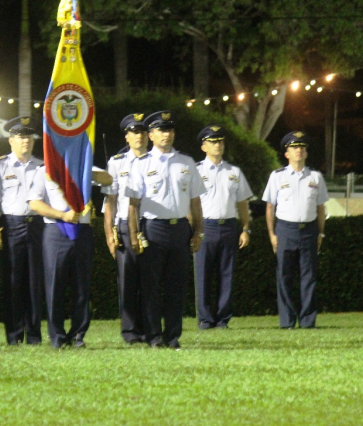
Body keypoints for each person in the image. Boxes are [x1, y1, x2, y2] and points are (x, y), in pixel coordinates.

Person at [126, 110, 206, 350]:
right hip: (153, 229)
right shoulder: (141, 164)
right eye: (161, 130)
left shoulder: (187, 162)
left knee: (176, 287)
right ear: (150, 135)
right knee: (150, 287)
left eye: (170, 129)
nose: (166, 134)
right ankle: (153, 336)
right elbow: (133, 205)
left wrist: (198, 231)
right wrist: (133, 235)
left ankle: (173, 337)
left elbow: (195, 202)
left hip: (180, 228)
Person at [27, 166, 112, 349]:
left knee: (82, 287)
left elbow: (108, 179)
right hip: (56, 230)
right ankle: (57, 337)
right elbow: (34, 203)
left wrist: (87, 173)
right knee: (54, 287)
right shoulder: (46, 169)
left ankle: (78, 336)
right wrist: (62, 215)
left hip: (82, 230)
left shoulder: (83, 163)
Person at [262, 131, 328, 329]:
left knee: (309, 277)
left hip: (308, 230)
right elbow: (270, 208)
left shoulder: (316, 177)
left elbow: (321, 209)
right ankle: (287, 321)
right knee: (284, 276)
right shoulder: (277, 176)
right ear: (286, 153)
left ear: (306, 153)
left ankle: (308, 321)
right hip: (285, 229)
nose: (298, 150)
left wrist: (321, 233)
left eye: (302, 147)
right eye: (294, 147)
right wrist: (272, 235)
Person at [0, 116, 45, 346]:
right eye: (21, 137)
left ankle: (33, 336)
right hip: (11, 226)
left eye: (29, 137)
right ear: (11, 140)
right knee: (12, 283)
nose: (26, 141)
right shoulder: (0, 165)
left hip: (37, 226)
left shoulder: (42, 165)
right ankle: (14, 336)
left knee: (35, 283)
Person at [194, 125, 253, 330]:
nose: (217, 145)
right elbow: (189, 202)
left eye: (220, 141)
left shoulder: (234, 172)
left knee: (226, 274)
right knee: (203, 275)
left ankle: (222, 319)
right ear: (204, 146)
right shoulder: (195, 170)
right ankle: (205, 318)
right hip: (205, 226)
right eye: (212, 141)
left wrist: (245, 228)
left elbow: (242, 203)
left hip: (228, 226)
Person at [102, 113, 149, 344]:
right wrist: (109, 233)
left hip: (151, 224)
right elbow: (110, 201)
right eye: (134, 132)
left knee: (149, 281)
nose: (138, 136)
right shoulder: (116, 162)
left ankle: (150, 328)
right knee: (128, 281)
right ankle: (130, 332)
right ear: (127, 136)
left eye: (141, 131)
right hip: (123, 225)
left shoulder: (157, 159)